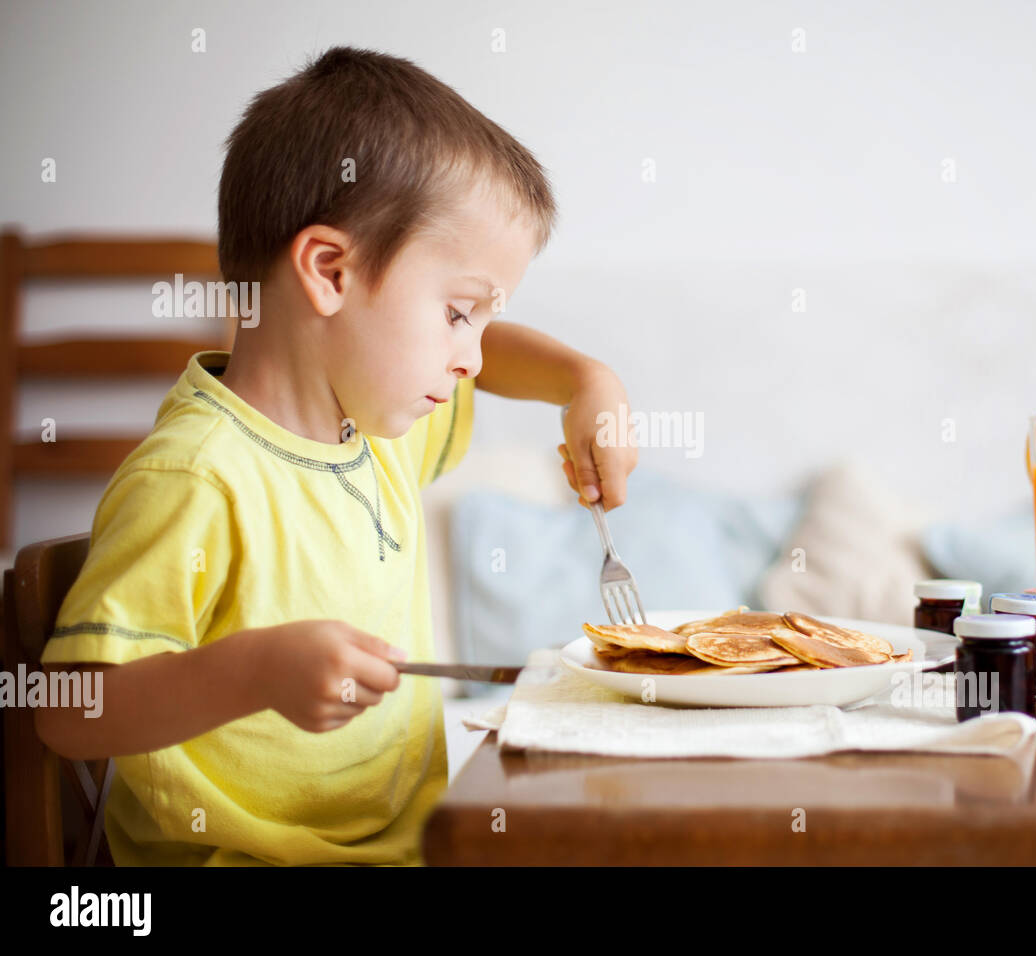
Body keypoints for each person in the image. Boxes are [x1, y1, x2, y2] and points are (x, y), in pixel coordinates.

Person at [35, 46, 637, 865]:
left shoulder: (375, 431)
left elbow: (508, 364)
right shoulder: (197, 478)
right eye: (460, 314)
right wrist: (250, 673)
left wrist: (582, 381)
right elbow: (71, 710)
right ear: (329, 271)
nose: (476, 361)